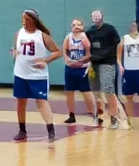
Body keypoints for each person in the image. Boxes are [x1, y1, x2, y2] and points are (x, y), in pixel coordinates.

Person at [11, 10, 60, 143]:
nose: (24, 21)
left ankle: (51, 130)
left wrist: (46, 60)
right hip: (21, 73)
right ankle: (22, 130)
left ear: (33, 20)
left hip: (38, 76)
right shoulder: (19, 33)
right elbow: (15, 49)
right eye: (22, 19)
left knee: (41, 101)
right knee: (21, 101)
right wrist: (14, 52)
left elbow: (58, 52)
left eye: (26, 19)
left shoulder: (42, 35)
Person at [86, 10, 122, 129]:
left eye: (98, 16)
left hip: (107, 62)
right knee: (95, 91)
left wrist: (117, 60)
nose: (96, 18)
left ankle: (114, 117)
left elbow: (117, 44)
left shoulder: (109, 29)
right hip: (94, 63)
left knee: (108, 89)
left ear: (102, 17)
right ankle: (99, 116)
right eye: (93, 16)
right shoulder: (90, 31)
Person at [62, 20, 97, 126]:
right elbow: (64, 50)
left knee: (86, 91)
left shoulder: (85, 37)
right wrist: (68, 60)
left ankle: (94, 114)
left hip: (82, 68)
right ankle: (71, 115)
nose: (76, 26)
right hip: (70, 68)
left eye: (78, 24)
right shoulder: (68, 37)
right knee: (69, 91)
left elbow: (89, 54)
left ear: (82, 26)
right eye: (73, 25)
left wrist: (80, 61)